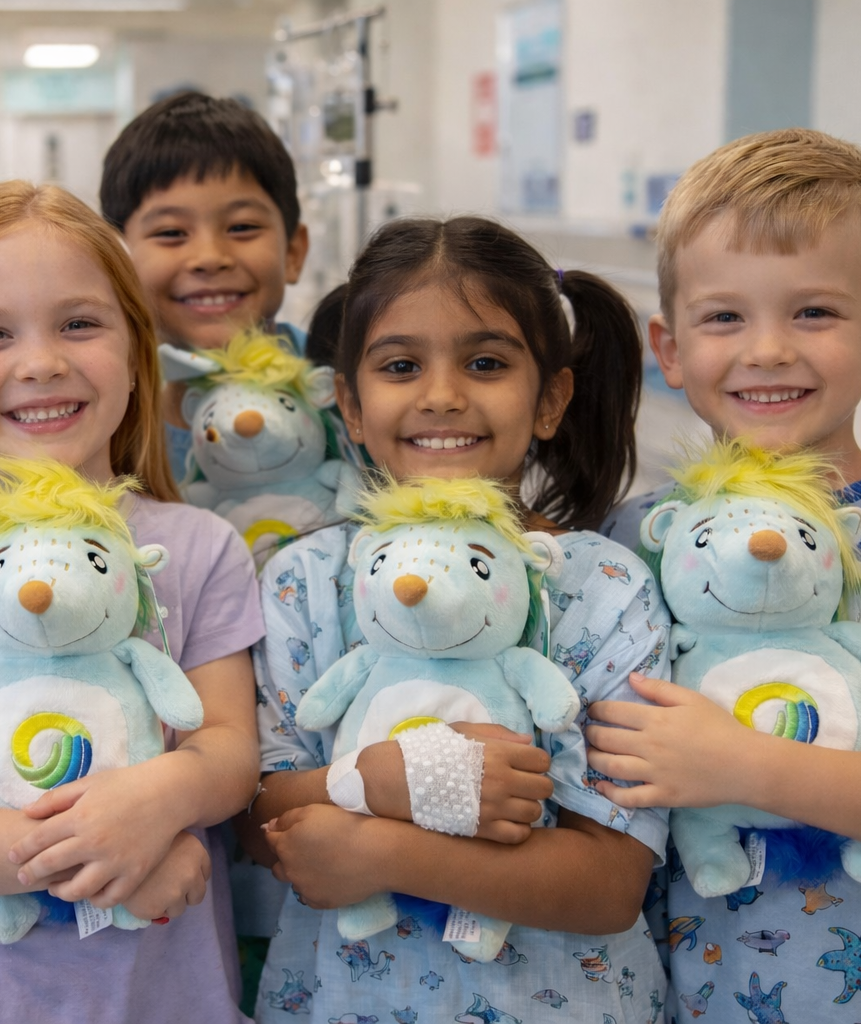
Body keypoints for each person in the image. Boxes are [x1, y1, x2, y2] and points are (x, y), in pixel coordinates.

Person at [0, 180, 263, 1024]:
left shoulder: (200, 549)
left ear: (137, 352)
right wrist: (101, 850)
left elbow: (231, 753)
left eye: (79, 323)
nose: (41, 363)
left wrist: (160, 802)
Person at [593, 128, 861, 1022]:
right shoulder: (632, 544)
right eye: (725, 316)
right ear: (669, 348)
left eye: (813, 312)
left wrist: (741, 765)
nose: (768, 349)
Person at [246, 216, 673, 1023]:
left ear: (550, 398)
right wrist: (380, 782)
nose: (442, 394)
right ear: (351, 404)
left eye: (485, 363)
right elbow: (260, 817)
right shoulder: (307, 582)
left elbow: (612, 884)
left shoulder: (605, 587)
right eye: (401, 365)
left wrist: (381, 842)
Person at [100, 90, 311, 481]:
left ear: (294, 252)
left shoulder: (346, 387)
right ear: (118, 263)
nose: (210, 257)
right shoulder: (101, 420)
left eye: (242, 227)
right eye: (171, 232)